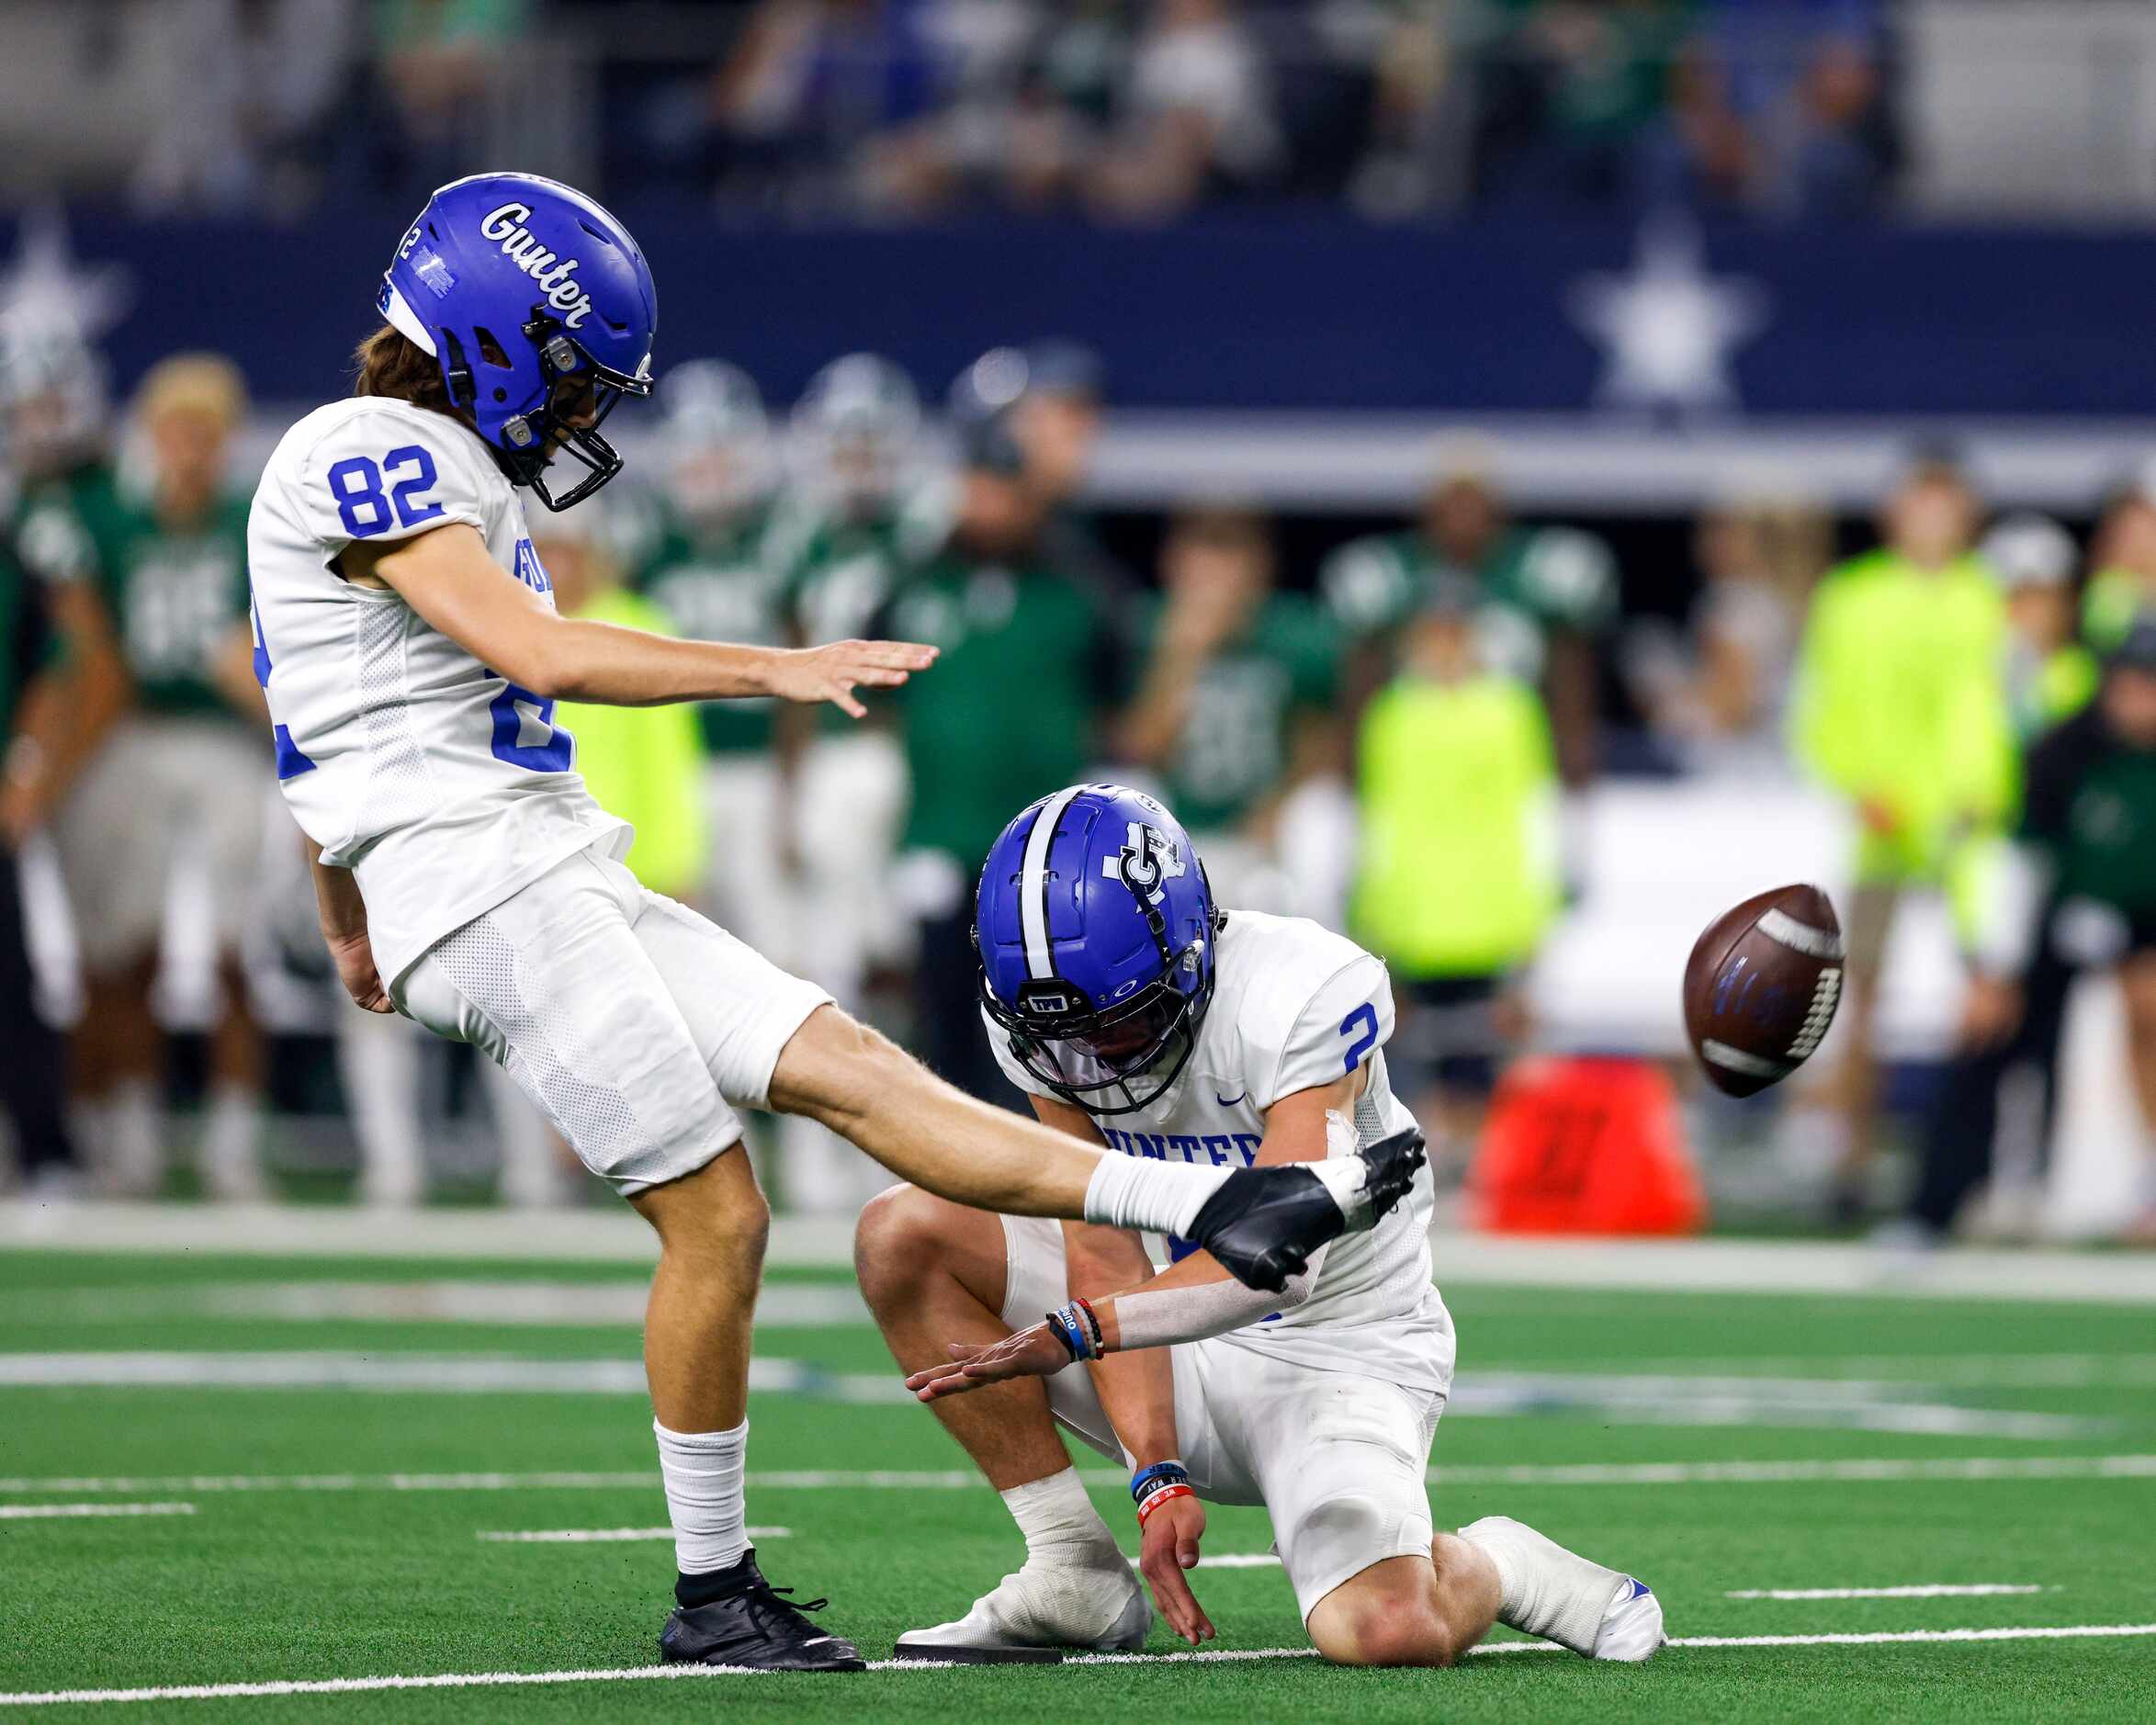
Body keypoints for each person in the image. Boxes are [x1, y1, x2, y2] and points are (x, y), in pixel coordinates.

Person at [248, 172, 1417, 1672]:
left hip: (538, 858)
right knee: (720, 1210)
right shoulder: (358, 446)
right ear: (499, 339)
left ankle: (1213, 1206)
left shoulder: (432, 462)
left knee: (861, 1072)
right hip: (479, 878)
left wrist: (341, 915)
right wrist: (768, 667)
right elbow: (530, 651)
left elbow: (324, 722)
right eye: (575, 372)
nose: (584, 410)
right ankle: (711, 1588)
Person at [856, 783, 1662, 1667]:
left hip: (1340, 1347)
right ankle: (1070, 1567)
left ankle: (1508, 1567)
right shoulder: (1046, 1028)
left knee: (1385, 1632)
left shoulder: (1301, 991)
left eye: (1124, 1022)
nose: (1097, 1059)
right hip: (1163, 1329)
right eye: (1071, 1037)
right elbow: (1099, 1241)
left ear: (1190, 944)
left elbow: (1280, 1257)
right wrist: (1154, 1472)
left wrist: (1080, 1331)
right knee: (905, 1232)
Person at [44, 353, 267, 1198]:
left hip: (225, 740)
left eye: (204, 433)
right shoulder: (109, 521)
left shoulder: (253, 521)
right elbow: (82, 641)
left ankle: (233, 1145)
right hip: (131, 739)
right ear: (149, 435)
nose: (188, 449)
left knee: (231, 954)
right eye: (175, 431)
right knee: (124, 948)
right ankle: (128, 1137)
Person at [877, 412, 1132, 1106]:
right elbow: (876, 695)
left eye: (1000, 490)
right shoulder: (917, 580)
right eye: (975, 487)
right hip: (939, 828)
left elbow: (1115, 700)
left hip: (1039, 844)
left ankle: (1027, 1163)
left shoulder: (1083, 583)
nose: (985, 506)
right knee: (937, 1013)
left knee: (1039, 1013)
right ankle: (941, 1171)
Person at [1789, 454, 2015, 1219]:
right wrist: (1859, 787)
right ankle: (1852, 1165)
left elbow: (2006, 704)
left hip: (1970, 831)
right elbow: (1820, 710)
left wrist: (1989, 795)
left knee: (1988, 997)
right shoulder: (1851, 599)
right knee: (1861, 1000)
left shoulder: (1989, 597)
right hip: (1885, 830)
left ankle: (1972, 1170)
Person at [1910, 615, 2156, 1246]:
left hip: (2145, 916)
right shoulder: (2064, 750)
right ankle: (1934, 1207)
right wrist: (1996, 967)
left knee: (2149, 1009)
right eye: (2134, 683)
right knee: (1987, 1030)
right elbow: (2021, 863)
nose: (2143, 701)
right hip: (2060, 910)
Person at [1350, 581, 1561, 1171]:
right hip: (1413, 913)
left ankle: (1478, 1158)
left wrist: (1533, 916)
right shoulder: (1392, 714)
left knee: (1483, 1049)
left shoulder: (1509, 710)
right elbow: (1380, 817)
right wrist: (1375, 910)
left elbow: (1531, 809)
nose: (1442, 651)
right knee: (1413, 1049)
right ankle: (1432, 1159)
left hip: (1489, 913)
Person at [1320, 447, 1615, 785]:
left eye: (1474, 500)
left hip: (1515, 764)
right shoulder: (1388, 576)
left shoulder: (1542, 573)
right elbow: (1361, 676)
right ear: (1429, 509)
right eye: (1453, 500)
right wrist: (1356, 766)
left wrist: (1573, 757)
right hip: (1412, 764)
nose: (1463, 514)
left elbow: (1571, 668)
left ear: (1497, 508)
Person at [1113, 504, 1340, 911]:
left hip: (1265, 830)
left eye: (1229, 556)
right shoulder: (1146, 629)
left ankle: (1327, 961)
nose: (1214, 579)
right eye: (1204, 556)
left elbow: (1320, 748)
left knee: (1321, 819)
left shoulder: (1291, 634)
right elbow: (1138, 751)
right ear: (1174, 564)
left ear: (1259, 567)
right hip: (1177, 830)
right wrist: (1181, 655)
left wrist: (1276, 809)